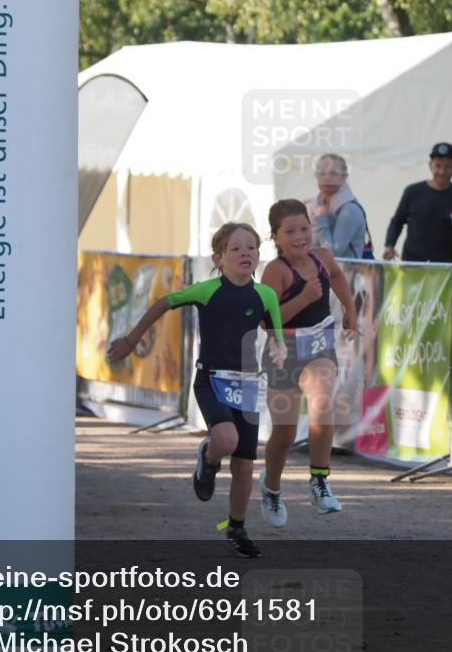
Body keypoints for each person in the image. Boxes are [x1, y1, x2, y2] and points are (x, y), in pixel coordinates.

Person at [108, 222, 286, 557]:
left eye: (251, 247)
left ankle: (235, 527)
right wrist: (132, 340)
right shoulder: (206, 290)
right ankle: (208, 457)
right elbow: (164, 302)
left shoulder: (265, 295)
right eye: (236, 248)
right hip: (212, 380)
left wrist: (279, 349)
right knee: (226, 441)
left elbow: (275, 333)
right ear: (218, 258)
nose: (245, 252)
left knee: (245, 467)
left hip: (247, 386)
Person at [260, 199, 358, 528]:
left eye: (304, 228)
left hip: (319, 347)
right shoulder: (275, 271)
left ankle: (319, 480)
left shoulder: (323, 258)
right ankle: (271, 488)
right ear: (275, 236)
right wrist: (303, 299)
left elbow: (338, 277)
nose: (300, 237)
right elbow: (266, 322)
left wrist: (350, 311)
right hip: (283, 351)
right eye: (290, 232)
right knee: (284, 435)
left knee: (322, 402)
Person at [383, 142, 452, 263]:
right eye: (438, 166)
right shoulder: (413, 192)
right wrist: (389, 245)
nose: (442, 171)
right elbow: (397, 222)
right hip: (412, 265)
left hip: (445, 268)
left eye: (447, 167)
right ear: (430, 165)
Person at [308, 154, 371, 259]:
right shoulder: (315, 206)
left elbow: (332, 254)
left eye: (333, 173)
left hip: (346, 274)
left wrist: (322, 220)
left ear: (344, 177)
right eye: (321, 173)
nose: (326, 178)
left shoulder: (350, 210)